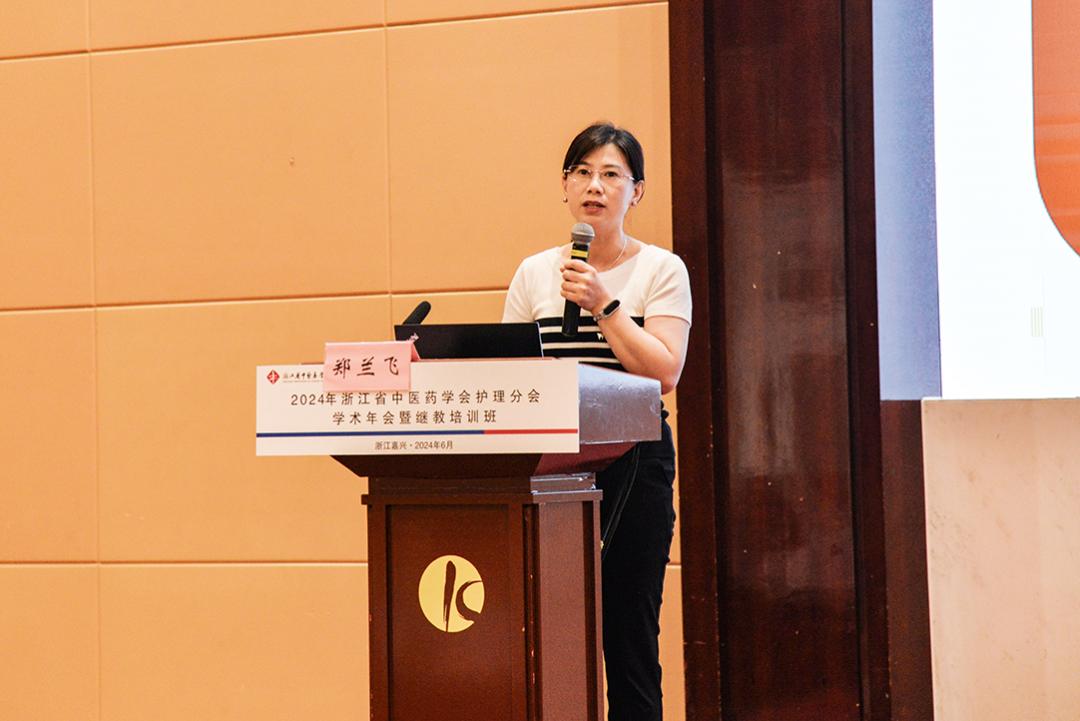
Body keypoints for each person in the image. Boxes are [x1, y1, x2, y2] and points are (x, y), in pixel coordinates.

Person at [502, 122, 692, 721]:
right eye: (582, 172)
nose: (594, 186)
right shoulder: (534, 272)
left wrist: (604, 304)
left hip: (634, 464)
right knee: (548, 631)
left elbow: (664, 371)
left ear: (637, 192)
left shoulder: (662, 270)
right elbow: (512, 372)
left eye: (611, 174)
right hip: (550, 468)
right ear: (563, 186)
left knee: (628, 635)